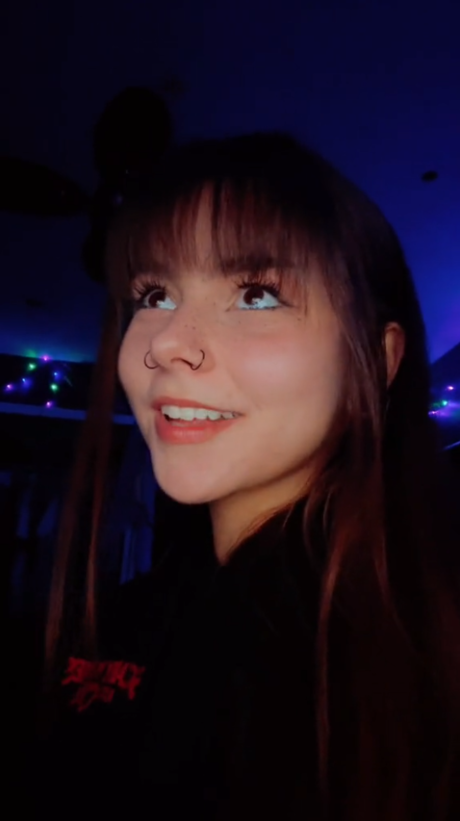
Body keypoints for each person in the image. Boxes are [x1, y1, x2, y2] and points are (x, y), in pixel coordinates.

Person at [34, 133, 460, 820]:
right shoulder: (135, 611)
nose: (166, 343)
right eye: (153, 294)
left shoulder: (421, 655)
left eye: (257, 295)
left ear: (376, 359)